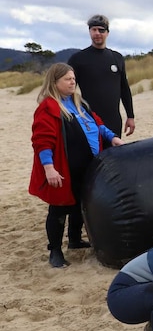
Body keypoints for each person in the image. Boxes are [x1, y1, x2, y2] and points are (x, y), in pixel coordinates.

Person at [29, 63, 124, 267]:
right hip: (64, 167)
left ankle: (74, 239)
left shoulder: (79, 102)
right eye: (67, 79)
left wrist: (112, 137)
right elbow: (42, 141)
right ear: (55, 82)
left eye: (73, 78)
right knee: (59, 208)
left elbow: (97, 124)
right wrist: (49, 168)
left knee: (80, 204)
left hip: (87, 163)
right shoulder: (49, 107)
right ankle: (55, 251)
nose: (72, 82)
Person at [67, 14, 135, 137]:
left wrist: (130, 116)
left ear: (107, 33)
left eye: (101, 30)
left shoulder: (117, 58)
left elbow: (124, 89)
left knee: (113, 155)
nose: (97, 33)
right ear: (89, 32)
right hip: (88, 119)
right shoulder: (78, 59)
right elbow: (67, 89)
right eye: (94, 30)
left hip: (114, 120)